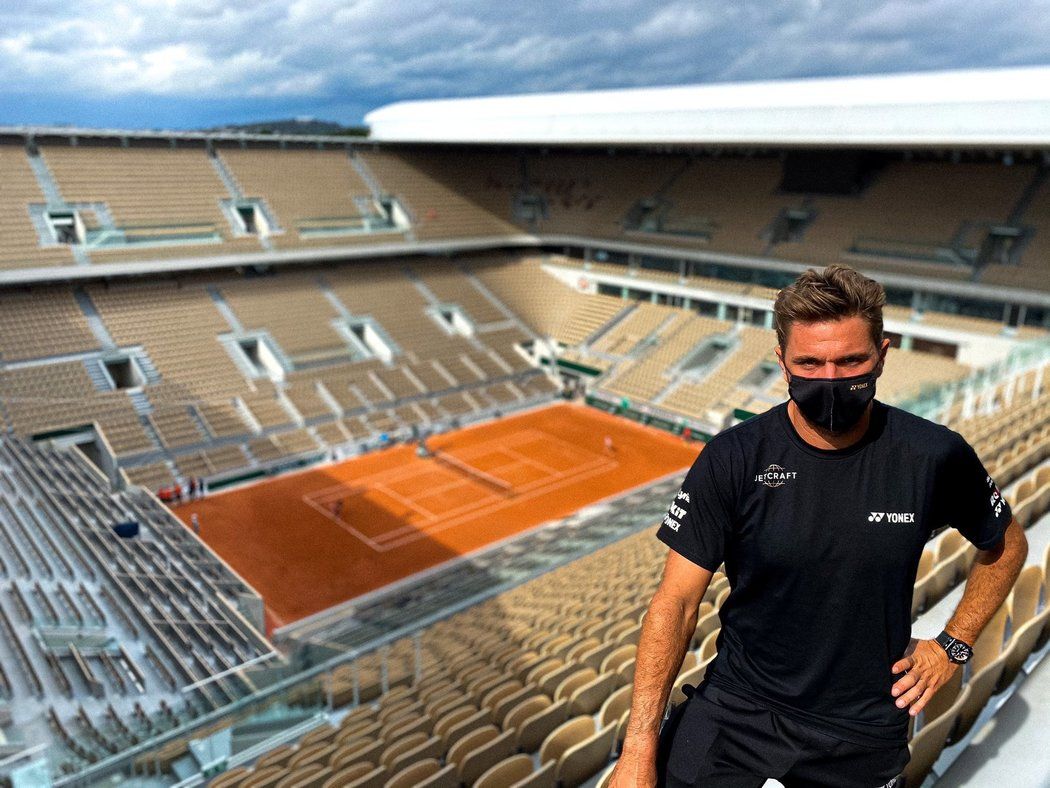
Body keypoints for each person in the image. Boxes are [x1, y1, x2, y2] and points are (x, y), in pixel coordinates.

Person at [609, 264, 1028, 788]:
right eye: (810, 362)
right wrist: (638, 748)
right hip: (738, 709)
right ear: (782, 362)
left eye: (850, 359)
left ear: (883, 352)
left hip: (862, 728)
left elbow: (1007, 546)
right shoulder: (734, 458)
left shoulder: (932, 455)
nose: (830, 380)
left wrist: (954, 645)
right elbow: (676, 603)